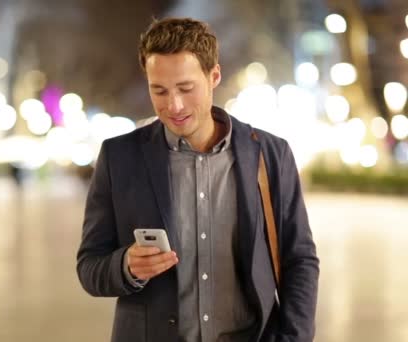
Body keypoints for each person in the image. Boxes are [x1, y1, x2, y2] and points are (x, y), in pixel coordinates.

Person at [76, 17, 319, 342]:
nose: (173, 105)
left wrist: (293, 338)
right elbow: (89, 267)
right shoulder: (120, 158)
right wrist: (126, 267)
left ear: (214, 76)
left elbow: (299, 258)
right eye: (158, 90)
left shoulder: (269, 154)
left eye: (185, 88)